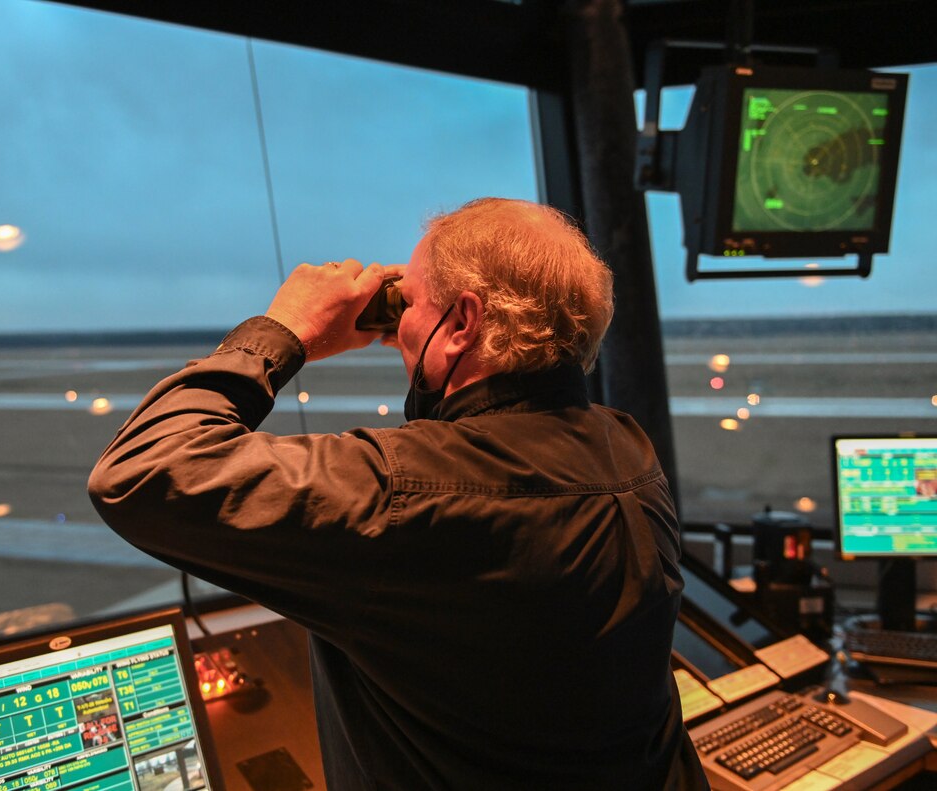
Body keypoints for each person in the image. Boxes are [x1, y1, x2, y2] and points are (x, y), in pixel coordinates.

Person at [88, 197, 708, 790]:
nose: (398, 325)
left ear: (462, 322)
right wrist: (423, 330)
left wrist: (287, 330)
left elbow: (139, 470)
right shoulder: (628, 449)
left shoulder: (403, 493)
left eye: (405, 305)